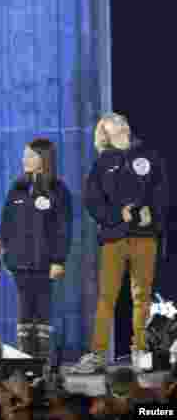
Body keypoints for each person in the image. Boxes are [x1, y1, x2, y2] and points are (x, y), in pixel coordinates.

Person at [67, 113, 169, 374]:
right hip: (114, 238)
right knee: (106, 297)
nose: (120, 123)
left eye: (122, 120)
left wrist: (152, 212)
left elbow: (162, 190)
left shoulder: (148, 155)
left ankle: (140, 351)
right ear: (105, 131)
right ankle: (97, 354)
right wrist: (115, 215)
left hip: (145, 237)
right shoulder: (103, 162)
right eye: (113, 122)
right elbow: (92, 201)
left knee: (141, 296)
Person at [0, 138, 72, 359]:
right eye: (25, 155)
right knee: (23, 311)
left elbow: (63, 228)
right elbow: (6, 224)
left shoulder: (58, 189)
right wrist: (7, 256)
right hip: (19, 262)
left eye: (30, 155)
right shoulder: (17, 187)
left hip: (46, 263)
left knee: (42, 312)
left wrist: (59, 260)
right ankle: (25, 361)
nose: (25, 159)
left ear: (44, 158)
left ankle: (42, 361)